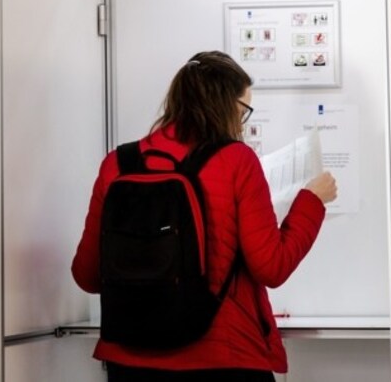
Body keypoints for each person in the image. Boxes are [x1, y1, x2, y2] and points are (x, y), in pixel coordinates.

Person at [72, 50, 337, 382]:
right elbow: (272, 266)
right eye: (243, 111)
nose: (242, 123)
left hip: (130, 361)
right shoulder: (237, 161)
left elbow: (86, 275)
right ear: (225, 105)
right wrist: (311, 202)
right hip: (223, 356)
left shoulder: (118, 164)